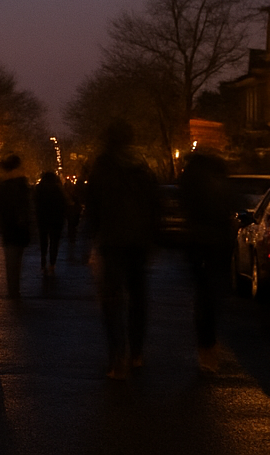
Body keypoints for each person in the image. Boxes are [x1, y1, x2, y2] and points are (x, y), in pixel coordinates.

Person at [83, 118, 160, 380]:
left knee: (112, 300)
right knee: (138, 299)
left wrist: (91, 240)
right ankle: (136, 353)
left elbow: (92, 206)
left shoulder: (102, 167)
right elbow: (154, 205)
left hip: (112, 241)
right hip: (139, 241)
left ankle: (117, 357)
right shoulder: (143, 167)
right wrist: (153, 237)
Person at [178, 147, 233, 373]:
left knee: (203, 294)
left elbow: (185, 204)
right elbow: (228, 205)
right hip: (218, 242)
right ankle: (209, 345)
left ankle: (205, 346)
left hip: (198, 241)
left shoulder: (189, 177)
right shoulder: (219, 176)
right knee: (213, 296)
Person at [0, 154, 32, 300]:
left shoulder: (5, 186)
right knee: (17, 261)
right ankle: (15, 290)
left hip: (10, 229)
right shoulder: (24, 185)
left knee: (11, 262)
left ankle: (13, 291)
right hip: (21, 229)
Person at [34, 170, 68, 276]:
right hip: (56, 219)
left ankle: (43, 261)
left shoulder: (39, 189)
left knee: (43, 241)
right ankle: (52, 263)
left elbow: (35, 203)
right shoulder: (58, 190)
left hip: (43, 218)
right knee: (54, 242)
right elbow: (64, 204)